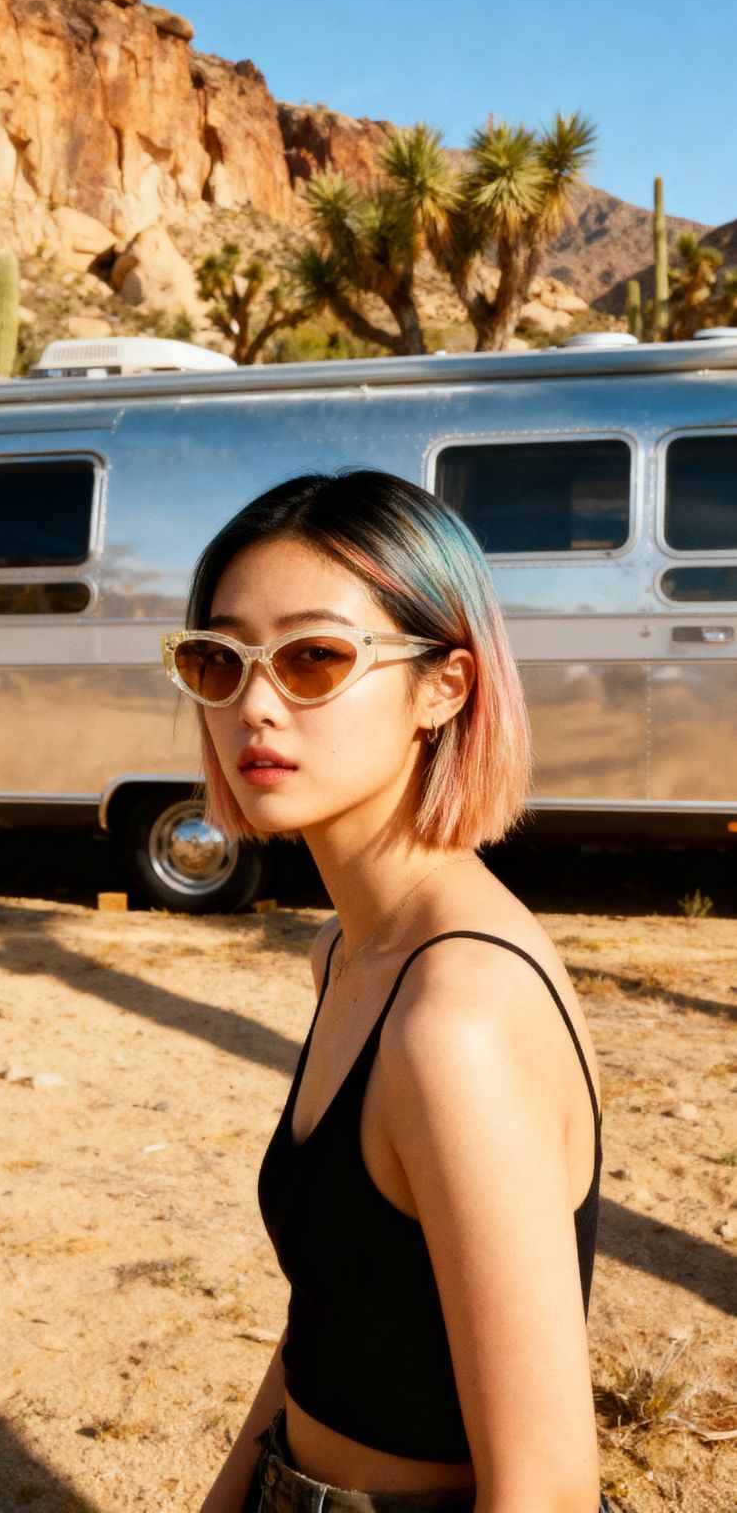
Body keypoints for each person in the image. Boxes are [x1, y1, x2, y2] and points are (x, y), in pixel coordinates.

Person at [161, 470, 608, 1513]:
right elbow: (333, 1313)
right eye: (219, 660)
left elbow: (544, 1487)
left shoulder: (457, 1016)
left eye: (315, 656)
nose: (254, 703)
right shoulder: (349, 951)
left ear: (445, 685)